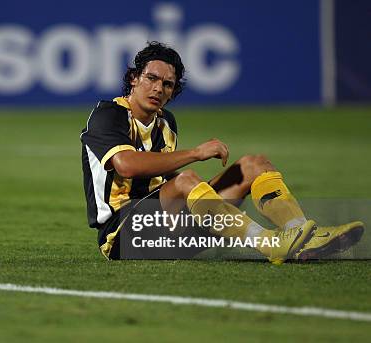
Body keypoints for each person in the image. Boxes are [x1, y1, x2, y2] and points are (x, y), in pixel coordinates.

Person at [80, 41, 364, 263]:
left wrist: (202, 193)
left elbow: (165, 177)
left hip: (167, 231)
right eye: (151, 78)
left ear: (173, 91)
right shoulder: (109, 114)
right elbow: (126, 164)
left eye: (167, 84)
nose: (158, 88)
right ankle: (267, 243)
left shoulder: (166, 123)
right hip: (123, 239)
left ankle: (303, 236)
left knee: (255, 165)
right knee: (187, 178)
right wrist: (196, 154)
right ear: (133, 78)